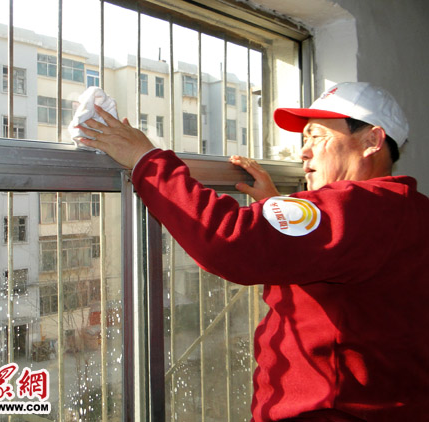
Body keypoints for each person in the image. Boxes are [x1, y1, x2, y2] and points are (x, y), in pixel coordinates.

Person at [77, 82, 429, 422]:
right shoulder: (411, 210)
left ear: (372, 141)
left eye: (317, 137)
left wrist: (146, 160)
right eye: (304, 140)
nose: (304, 151)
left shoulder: (356, 207)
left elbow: (229, 241)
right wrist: (282, 211)